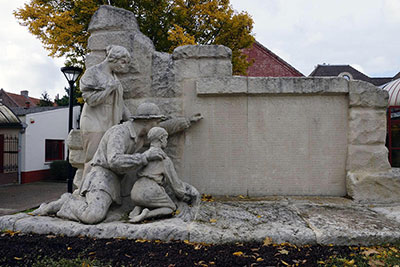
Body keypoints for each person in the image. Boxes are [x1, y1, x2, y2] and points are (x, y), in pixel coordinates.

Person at [33, 103, 201, 224]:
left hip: (121, 179)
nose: (157, 125)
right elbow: (114, 160)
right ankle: (67, 202)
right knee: (93, 216)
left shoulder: (142, 135)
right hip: (103, 176)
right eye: (155, 122)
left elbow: (165, 128)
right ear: (146, 121)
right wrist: (145, 157)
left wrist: (187, 121)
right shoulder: (119, 133)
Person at [79, 45, 132, 187]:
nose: (124, 66)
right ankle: (83, 192)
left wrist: (132, 121)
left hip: (110, 121)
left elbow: (121, 104)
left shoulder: (114, 78)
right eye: (123, 62)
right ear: (113, 58)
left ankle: (101, 190)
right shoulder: (93, 73)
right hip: (94, 121)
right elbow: (90, 100)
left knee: (106, 159)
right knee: (92, 158)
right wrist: (109, 89)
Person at [129, 127, 199, 223]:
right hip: (150, 189)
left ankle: (138, 206)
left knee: (153, 200)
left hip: (135, 191)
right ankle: (146, 215)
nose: (166, 141)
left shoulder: (145, 155)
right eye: (166, 138)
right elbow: (175, 184)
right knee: (170, 207)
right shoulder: (164, 159)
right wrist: (183, 196)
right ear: (161, 139)